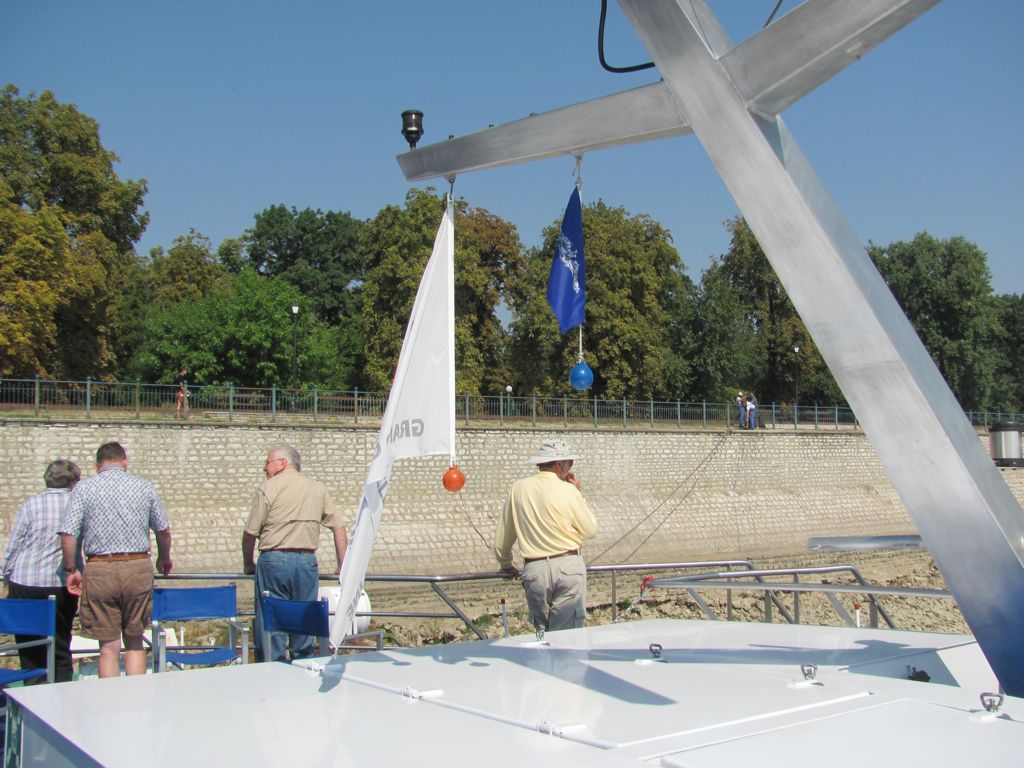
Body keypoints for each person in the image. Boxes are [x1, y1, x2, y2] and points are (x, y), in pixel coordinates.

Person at [58, 442, 173, 678]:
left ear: (97, 465)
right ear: (125, 461)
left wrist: (71, 569)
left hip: (100, 567)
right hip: (137, 565)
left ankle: (109, 705)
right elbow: (163, 530)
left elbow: (69, 534)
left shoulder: (84, 489)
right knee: (134, 641)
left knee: (108, 647)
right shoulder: (144, 486)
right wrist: (164, 557)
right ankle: (138, 700)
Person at [242, 445, 348, 662]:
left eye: (268, 462)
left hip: (273, 562)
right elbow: (339, 527)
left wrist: (248, 563)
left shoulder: (269, 488)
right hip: (306, 563)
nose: (265, 468)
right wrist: (343, 566)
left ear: (282, 463)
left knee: (272, 624)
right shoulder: (317, 488)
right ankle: (304, 668)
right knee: (304, 621)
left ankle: (273, 673)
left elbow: (250, 533)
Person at [495, 439, 597, 632]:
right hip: (568, 566)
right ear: (560, 464)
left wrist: (506, 564)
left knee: (543, 634)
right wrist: (577, 493)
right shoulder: (568, 490)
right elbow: (590, 529)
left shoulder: (518, 488)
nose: (571, 467)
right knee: (568, 635)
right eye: (570, 463)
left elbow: (504, 536)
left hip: (535, 569)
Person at [3, 459, 82, 683]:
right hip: (60, 582)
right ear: (72, 481)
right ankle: (61, 701)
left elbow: (15, 545)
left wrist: (6, 578)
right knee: (60, 645)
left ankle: (32, 697)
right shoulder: (77, 504)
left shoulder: (31, 504)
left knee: (29, 648)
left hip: (24, 581)